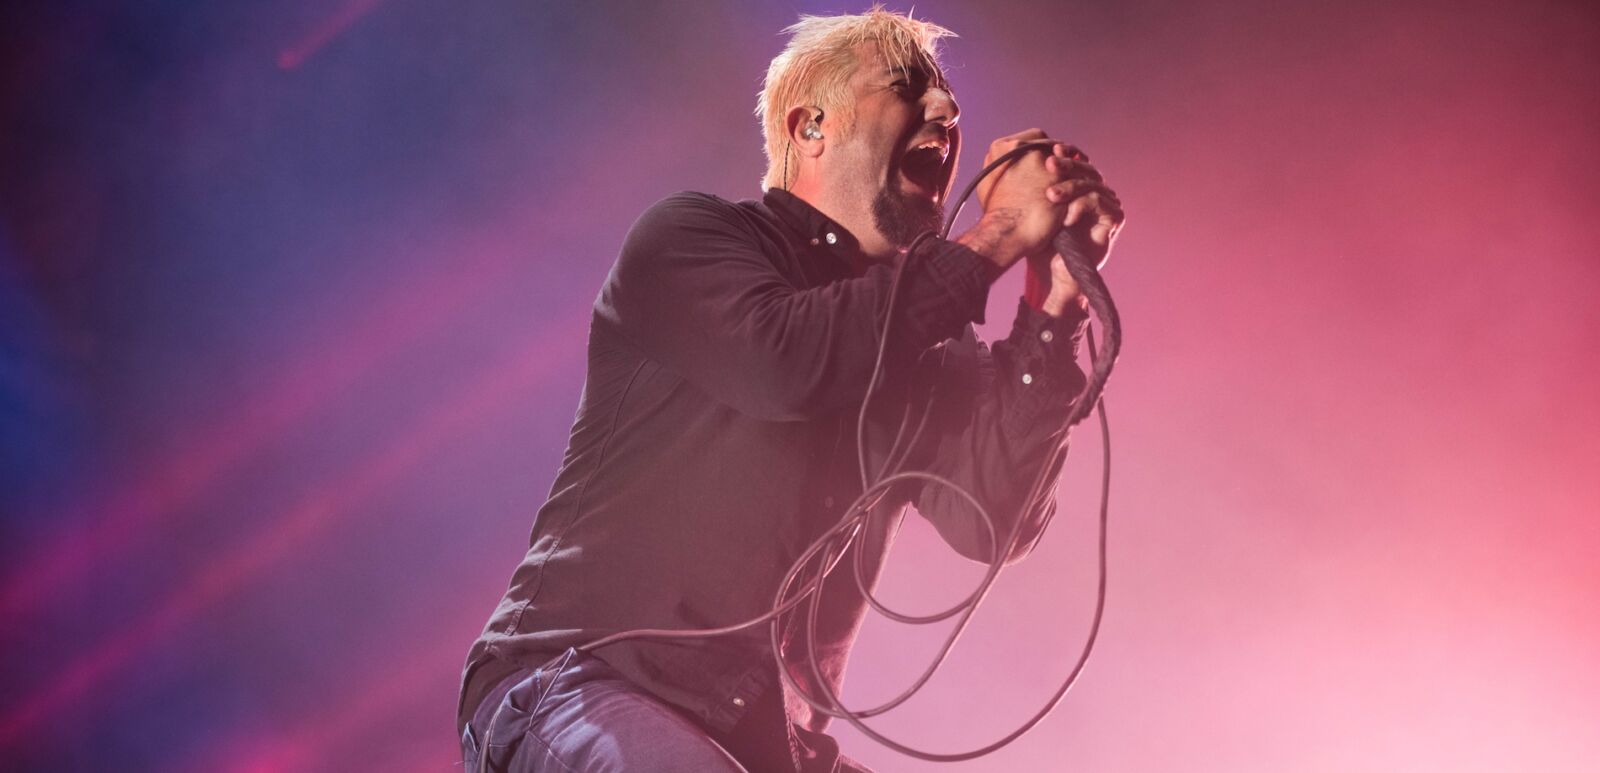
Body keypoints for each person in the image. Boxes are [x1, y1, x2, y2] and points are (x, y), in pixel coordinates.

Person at [457, 8, 1124, 772]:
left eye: (949, 101)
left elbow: (992, 517)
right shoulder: (694, 239)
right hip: (583, 683)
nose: (948, 111)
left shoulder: (928, 341)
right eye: (910, 89)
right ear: (811, 125)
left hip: (767, 743)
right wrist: (1000, 231)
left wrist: (1054, 301)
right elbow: (793, 361)